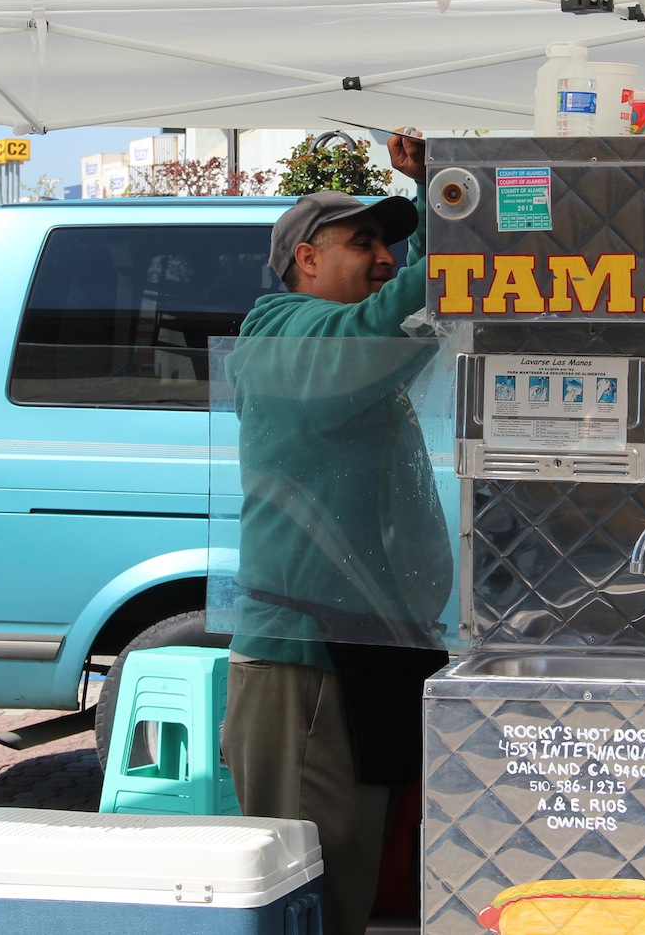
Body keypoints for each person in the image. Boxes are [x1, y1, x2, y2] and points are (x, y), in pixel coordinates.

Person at [222, 131, 450, 935]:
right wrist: (459, 224)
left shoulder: (341, 342)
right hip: (305, 666)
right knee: (316, 900)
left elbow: (406, 320)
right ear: (307, 259)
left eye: (391, 243)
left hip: (359, 652)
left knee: (353, 885)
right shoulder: (283, 334)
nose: (386, 259)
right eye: (364, 243)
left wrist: (436, 196)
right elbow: (390, 319)